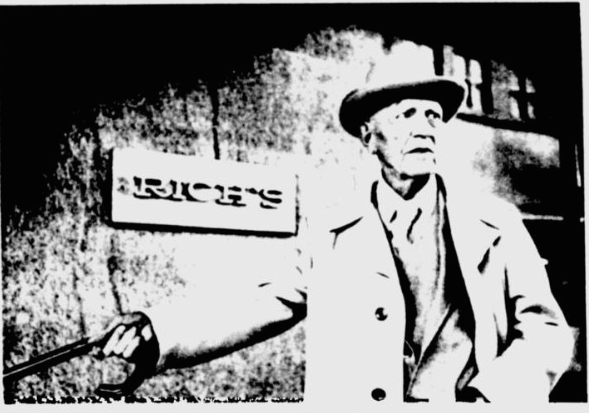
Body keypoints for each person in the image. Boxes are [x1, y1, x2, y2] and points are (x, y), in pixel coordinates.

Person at [101, 69, 574, 406]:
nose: (424, 129)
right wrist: (159, 331)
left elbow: (547, 330)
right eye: (407, 115)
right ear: (370, 138)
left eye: (433, 117)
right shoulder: (329, 232)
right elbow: (261, 304)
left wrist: (492, 398)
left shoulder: (496, 224)